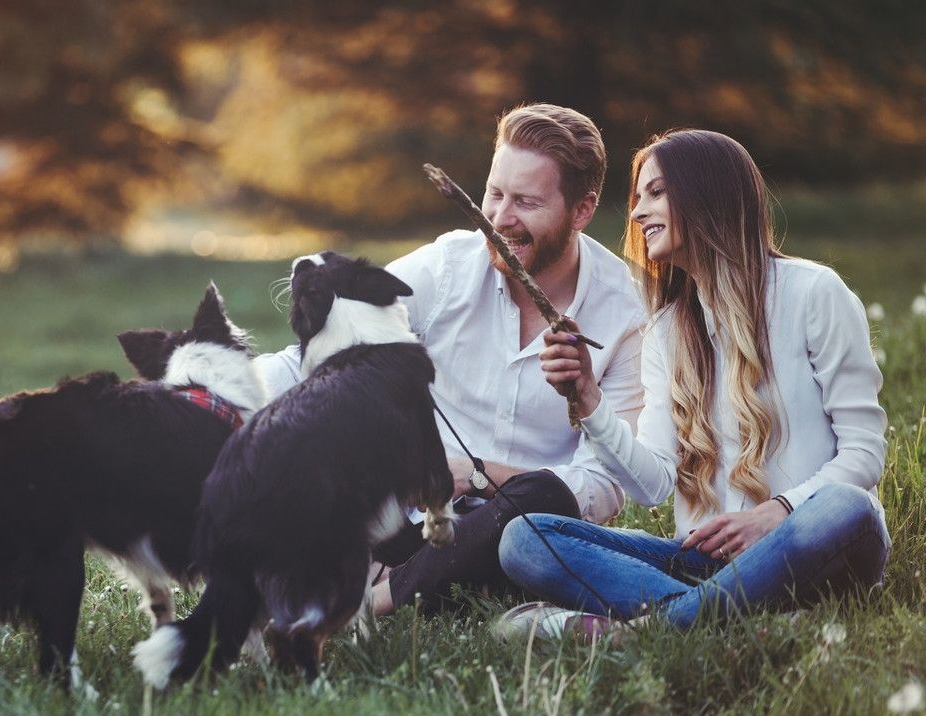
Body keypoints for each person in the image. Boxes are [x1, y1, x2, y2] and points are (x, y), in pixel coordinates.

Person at [255, 103, 647, 615]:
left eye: (526, 202)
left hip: (516, 533)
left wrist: (478, 474)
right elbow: (328, 353)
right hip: (409, 520)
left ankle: (368, 605)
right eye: (494, 193)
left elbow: (602, 485)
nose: (500, 219)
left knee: (543, 502)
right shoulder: (448, 265)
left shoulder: (627, 314)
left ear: (582, 210)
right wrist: (223, 399)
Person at [497, 129, 888, 633]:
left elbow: (864, 453)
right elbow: (651, 483)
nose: (636, 213)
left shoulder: (814, 293)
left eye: (655, 193)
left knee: (846, 505)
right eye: (637, 198)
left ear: (708, 193)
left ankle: (646, 630)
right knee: (526, 539)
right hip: (713, 563)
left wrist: (777, 512)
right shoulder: (665, 330)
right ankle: (738, 623)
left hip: (815, 539)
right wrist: (590, 399)